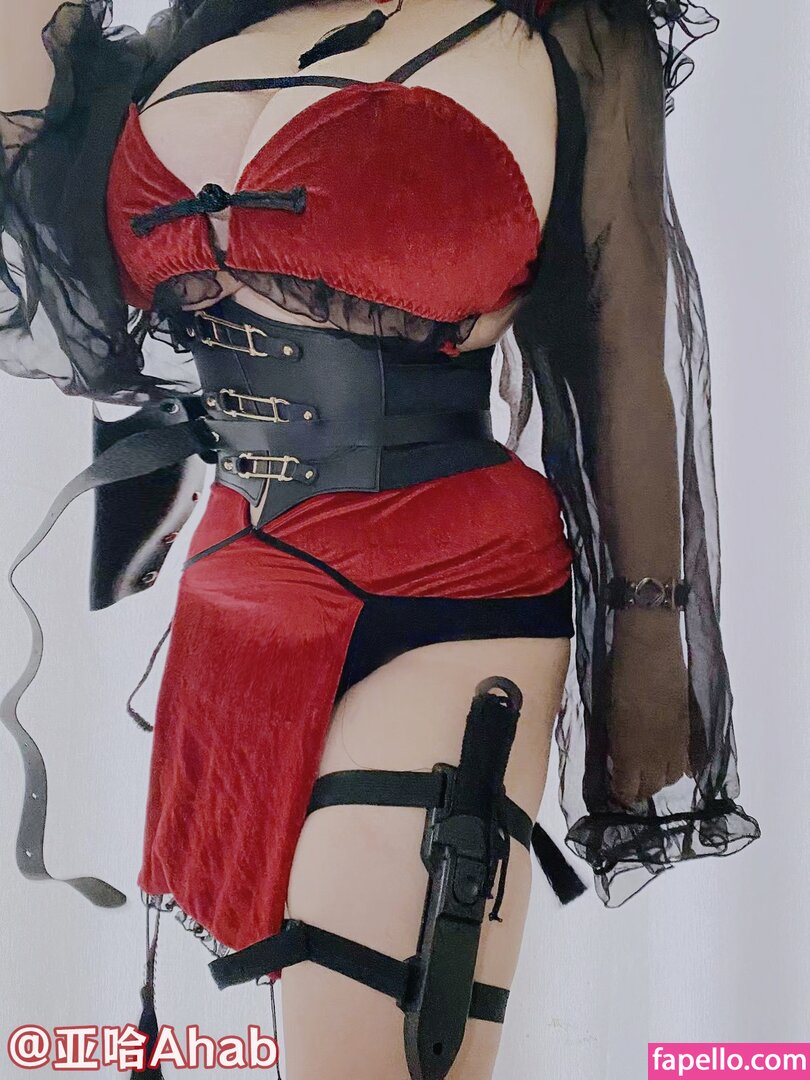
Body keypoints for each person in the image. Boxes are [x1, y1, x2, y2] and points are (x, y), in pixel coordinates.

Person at [0, 0, 761, 1077]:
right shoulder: (206, 31)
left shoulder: (572, 35)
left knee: (371, 1047)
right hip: (237, 588)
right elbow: (50, 242)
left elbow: (627, 351)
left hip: (448, 587)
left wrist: (645, 651)